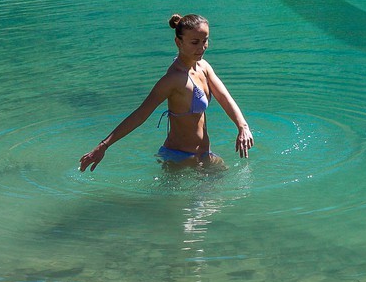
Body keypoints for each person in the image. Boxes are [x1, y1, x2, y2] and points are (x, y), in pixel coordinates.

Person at [79, 13, 254, 172]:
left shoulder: (203, 67)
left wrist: (242, 126)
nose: (202, 47)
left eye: (205, 40)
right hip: (178, 158)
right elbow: (141, 114)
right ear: (179, 42)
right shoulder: (173, 79)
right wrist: (104, 146)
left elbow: (224, 97)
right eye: (195, 42)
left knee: (227, 184)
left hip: (203, 154)